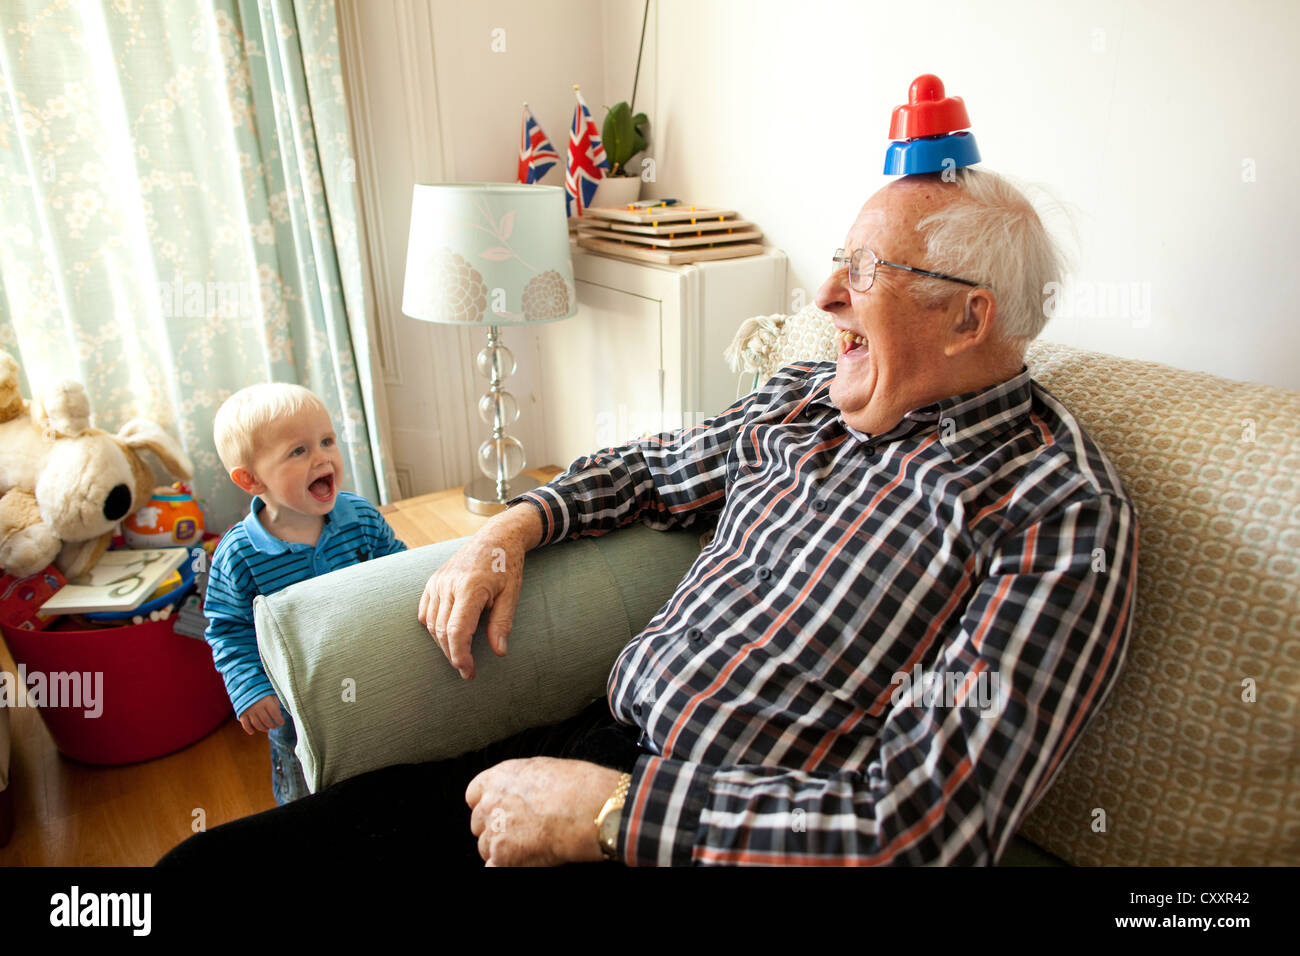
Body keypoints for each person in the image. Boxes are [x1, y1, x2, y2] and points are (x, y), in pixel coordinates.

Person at [160, 167, 1137, 866]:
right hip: (590, 742)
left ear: (967, 319)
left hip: (689, 832)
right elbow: (649, 471)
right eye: (838, 259)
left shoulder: (1054, 516)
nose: (825, 293)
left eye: (866, 271)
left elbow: (926, 827)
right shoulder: (807, 398)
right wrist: (508, 528)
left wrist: (615, 813)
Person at [204, 383, 407, 805]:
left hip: (371, 680)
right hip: (296, 708)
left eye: (327, 441)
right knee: (304, 794)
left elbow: (401, 576)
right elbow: (227, 629)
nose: (323, 457)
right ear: (250, 479)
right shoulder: (239, 554)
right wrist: (250, 688)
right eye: (298, 451)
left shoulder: (361, 519)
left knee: (383, 773)